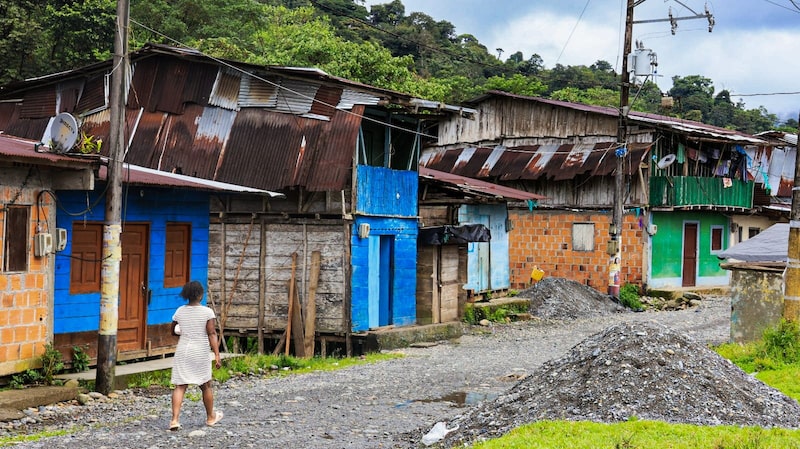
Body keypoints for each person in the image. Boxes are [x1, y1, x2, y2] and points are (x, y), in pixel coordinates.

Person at [169, 280, 223, 431]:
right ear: (200, 295)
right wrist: (217, 354)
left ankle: (174, 420)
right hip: (200, 351)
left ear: (186, 295)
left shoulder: (180, 311)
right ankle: (210, 417)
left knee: (180, 386)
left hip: (183, 350)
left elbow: (173, 331)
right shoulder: (207, 312)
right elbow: (211, 333)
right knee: (205, 385)